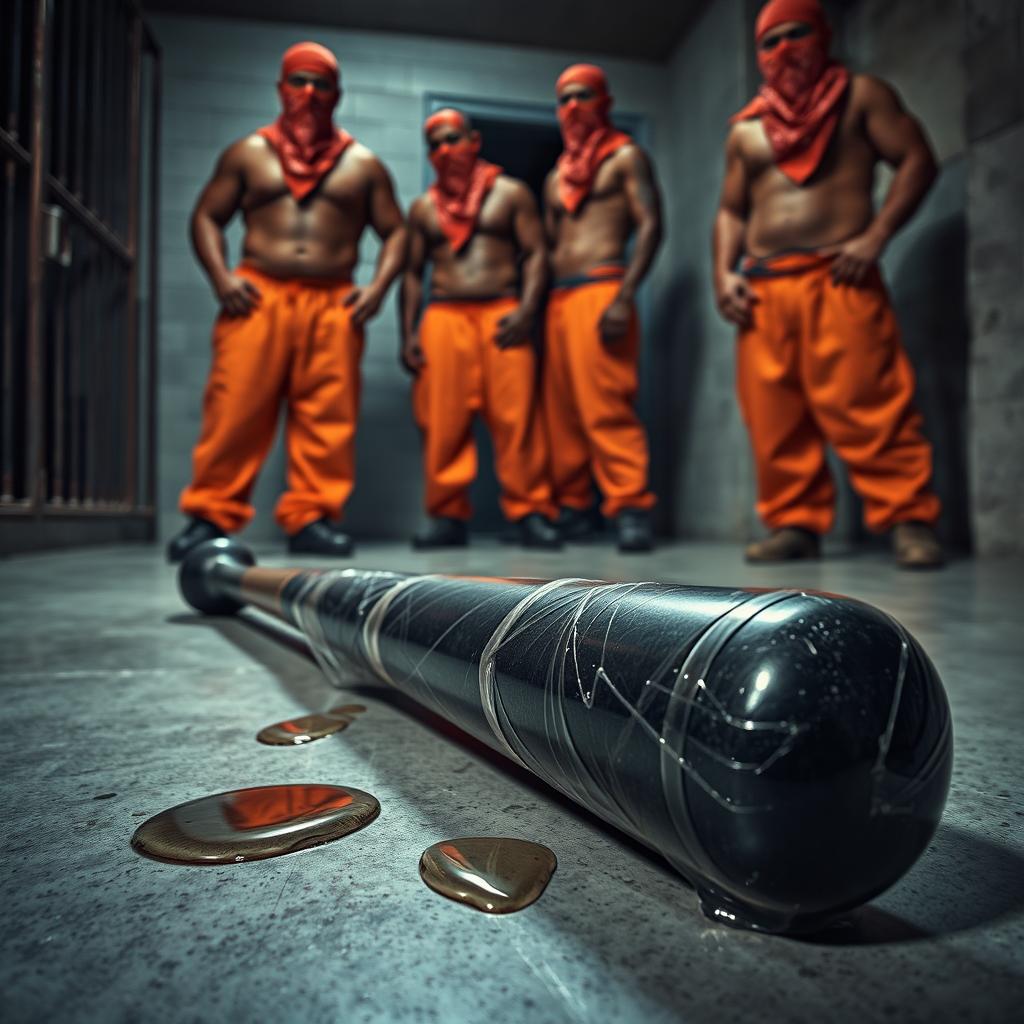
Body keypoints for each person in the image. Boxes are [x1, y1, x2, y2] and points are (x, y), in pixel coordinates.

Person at [714, 0, 944, 569]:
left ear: (825, 36)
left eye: (798, 35)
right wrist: (723, 273)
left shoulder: (862, 96)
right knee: (774, 417)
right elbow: (731, 211)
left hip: (839, 276)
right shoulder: (745, 130)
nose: (784, 50)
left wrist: (876, 236)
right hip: (765, 289)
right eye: (770, 42)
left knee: (872, 403)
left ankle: (910, 520)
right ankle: (794, 525)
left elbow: (917, 158)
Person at [166, 42, 407, 562]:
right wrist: (221, 279)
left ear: (337, 94)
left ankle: (312, 519)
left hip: (331, 302)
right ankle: (209, 517)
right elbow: (206, 216)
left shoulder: (363, 165)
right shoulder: (247, 153)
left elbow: (398, 233)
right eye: (298, 81)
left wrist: (378, 287)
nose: (309, 93)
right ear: (281, 88)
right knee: (235, 408)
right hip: (258, 296)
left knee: (327, 416)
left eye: (321, 84)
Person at [400, 109, 560, 549]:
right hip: (444, 317)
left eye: (453, 139)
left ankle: (530, 512)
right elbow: (412, 273)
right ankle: (446, 517)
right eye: (434, 144)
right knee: (442, 424)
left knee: (519, 422)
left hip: (502, 315)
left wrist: (528, 311)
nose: (445, 151)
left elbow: (536, 254)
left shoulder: (510, 194)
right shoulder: (423, 209)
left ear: (474, 140)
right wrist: (408, 333)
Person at [543, 64, 663, 553]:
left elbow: (652, 225)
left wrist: (625, 294)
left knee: (606, 405)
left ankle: (631, 507)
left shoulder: (625, 157)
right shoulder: (555, 176)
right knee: (563, 412)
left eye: (584, 96)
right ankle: (574, 508)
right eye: (564, 98)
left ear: (605, 103)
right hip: (559, 299)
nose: (573, 107)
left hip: (603, 289)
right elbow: (550, 244)